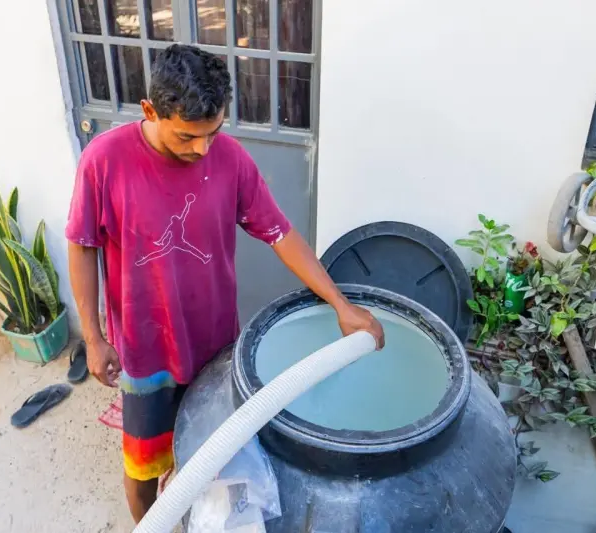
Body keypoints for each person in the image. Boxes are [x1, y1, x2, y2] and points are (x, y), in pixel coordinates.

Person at [66, 44, 385, 524]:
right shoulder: (104, 160)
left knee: (213, 456)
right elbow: (83, 244)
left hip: (217, 346)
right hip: (145, 351)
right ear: (150, 111)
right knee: (144, 465)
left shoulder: (231, 160)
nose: (201, 149)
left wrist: (340, 303)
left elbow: (280, 233)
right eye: (186, 137)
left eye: (213, 132)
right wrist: (93, 337)